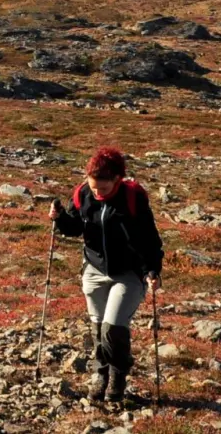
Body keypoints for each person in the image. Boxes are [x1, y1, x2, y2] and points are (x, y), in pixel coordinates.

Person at [50, 145, 164, 404]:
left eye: (103, 187)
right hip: (94, 269)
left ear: (117, 179)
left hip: (128, 273)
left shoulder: (132, 199)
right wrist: (59, 219)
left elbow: (149, 239)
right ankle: (100, 374)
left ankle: (118, 374)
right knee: (98, 327)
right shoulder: (82, 194)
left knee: (113, 328)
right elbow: (75, 227)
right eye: (93, 187)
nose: (98, 193)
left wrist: (152, 270)